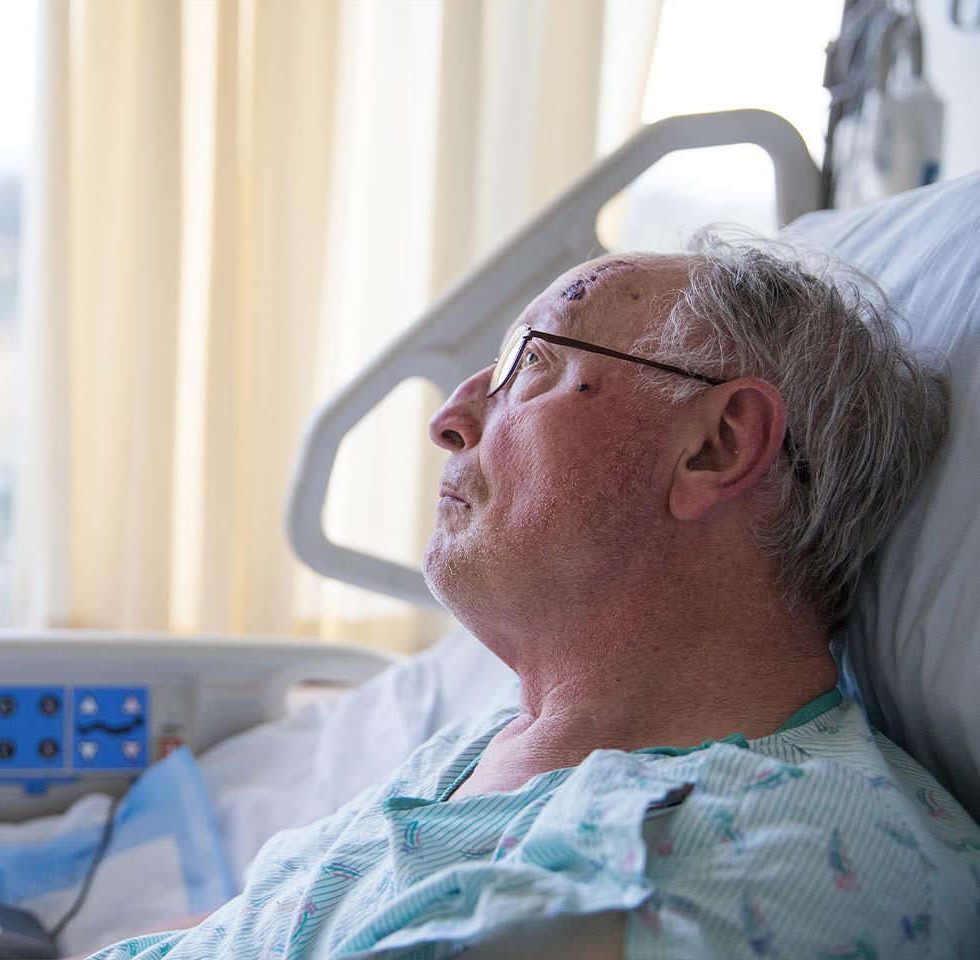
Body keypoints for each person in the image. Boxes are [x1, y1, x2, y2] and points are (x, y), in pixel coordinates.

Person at [83, 236, 980, 958]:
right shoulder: (484, 748)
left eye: (533, 363)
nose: (451, 417)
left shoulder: (771, 857)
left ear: (717, 446)